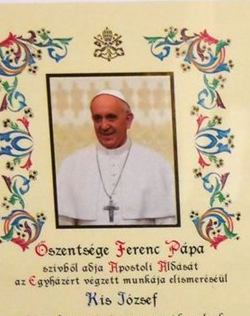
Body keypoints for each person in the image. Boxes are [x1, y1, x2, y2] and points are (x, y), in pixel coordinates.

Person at [56, 89, 177, 226]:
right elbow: (62, 226)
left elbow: (168, 226)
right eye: (97, 118)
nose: (104, 126)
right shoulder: (72, 166)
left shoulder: (157, 165)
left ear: (128, 120)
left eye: (111, 117)